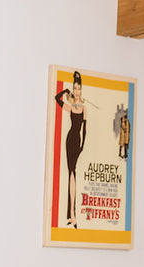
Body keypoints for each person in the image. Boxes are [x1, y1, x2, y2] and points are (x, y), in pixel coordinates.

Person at [55, 71, 87, 227]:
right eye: (74, 88)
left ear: (81, 90)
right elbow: (56, 98)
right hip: (70, 140)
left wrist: (82, 146)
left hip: (77, 141)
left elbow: (85, 129)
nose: (76, 91)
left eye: (78, 88)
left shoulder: (83, 107)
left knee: (73, 173)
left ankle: (72, 214)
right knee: (71, 173)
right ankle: (71, 215)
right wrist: (65, 92)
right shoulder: (70, 107)